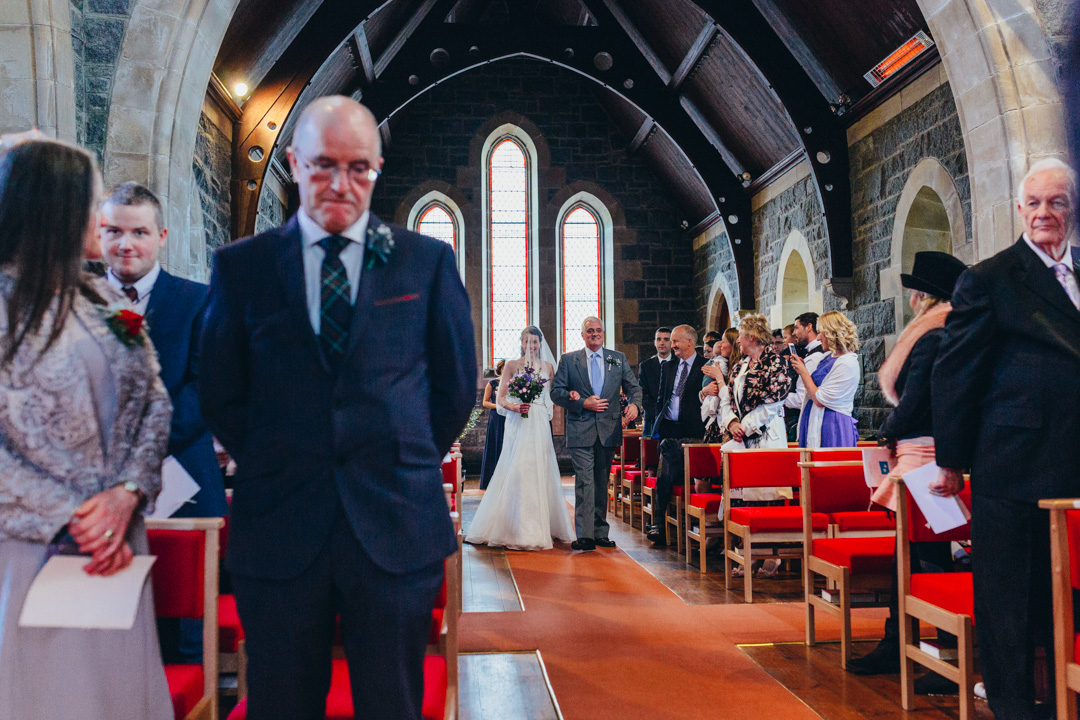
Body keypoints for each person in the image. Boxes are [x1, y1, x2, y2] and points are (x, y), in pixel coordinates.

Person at [199, 96, 476, 720]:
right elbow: (221, 389)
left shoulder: (424, 262)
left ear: (376, 169)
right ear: (294, 163)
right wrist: (279, 456)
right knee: (281, 704)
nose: (340, 185)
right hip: (279, 524)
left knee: (391, 702)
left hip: (395, 524)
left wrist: (397, 454)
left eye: (358, 168)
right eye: (324, 166)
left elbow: (456, 387)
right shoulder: (243, 268)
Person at [0, 138, 173, 719]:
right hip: (31, 547)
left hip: (115, 543)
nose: (102, 218)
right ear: (52, 206)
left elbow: (154, 396)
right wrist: (76, 516)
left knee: (115, 695)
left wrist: (126, 494)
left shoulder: (103, 301)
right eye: (91, 202)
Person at [932, 158, 1080, 720]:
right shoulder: (990, 278)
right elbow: (957, 372)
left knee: (1069, 597)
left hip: (1075, 464)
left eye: (1057, 202)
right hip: (1013, 464)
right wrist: (952, 457)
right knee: (1009, 604)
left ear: (1072, 209)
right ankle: (1016, 709)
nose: (1045, 213)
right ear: (1020, 209)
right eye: (1035, 203)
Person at [846, 250, 967, 682]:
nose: (912, 296)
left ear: (924, 296)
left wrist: (887, 430)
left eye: (916, 289)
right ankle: (916, 642)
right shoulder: (949, 329)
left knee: (923, 555)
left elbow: (919, 399)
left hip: (923, 457)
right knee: (917, 553)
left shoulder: (934, 334)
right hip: (926, 453)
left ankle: (930, 648)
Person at [465, 328, 574, 550]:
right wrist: (515, 406)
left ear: (540, 343)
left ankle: (541, 525)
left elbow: (552, 396)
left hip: (540, 422)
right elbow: (501, 398)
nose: (532, 345)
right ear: (522, 343)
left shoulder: (548, 368)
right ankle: (514, 526)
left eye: (535, 341)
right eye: (528, 341)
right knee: (518, 468)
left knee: (539, 469)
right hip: (518, 421)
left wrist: (568, 396)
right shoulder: (513, 366)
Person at [551, 316, 642, 552]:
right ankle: (585, 535)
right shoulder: (569, 360)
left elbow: (634, 387)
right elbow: (556, 392)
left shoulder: (617, 358)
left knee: (602, 482)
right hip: (580, 429)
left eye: (598, 330)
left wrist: (635, 405)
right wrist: (582, 402)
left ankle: (601, 532)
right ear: (582, 335)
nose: (595, 334)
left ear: (603, 333)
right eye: (590, 331)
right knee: (586, 481)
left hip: (608, 430)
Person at [646, 324, 707, 545]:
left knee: (683, 476)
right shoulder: (669, 366)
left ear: (690, 342)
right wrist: (659, 425)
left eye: (675, 341)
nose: (672, 346)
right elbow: (662, 397)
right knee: (665, 475)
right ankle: (659, 525)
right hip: (670, 429)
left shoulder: (705, 366)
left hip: (694, 430)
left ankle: (689, 526)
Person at [790, 311, 860, 448]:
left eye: (821, 332)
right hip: (813, 418)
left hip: (832, 424)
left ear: (831, 333)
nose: (818, 338)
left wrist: (803, 373)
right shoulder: (827, 357)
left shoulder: (847, 363)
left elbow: (820, 399)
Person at [638, 327, 672, 436]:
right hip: (652, 418)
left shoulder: (679, 362)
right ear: (654, 342)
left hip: (675, 419)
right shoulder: (645, 366)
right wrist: (658, 415)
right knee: (650, 451)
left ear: (672, 343)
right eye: (659, 339)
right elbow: (644, 394)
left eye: (666, 339)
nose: (662, 343)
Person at [478, 359, 506, 491]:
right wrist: (499, 406)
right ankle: (492, 479)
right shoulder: (493, 383)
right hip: (497, 417)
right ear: (500, 369)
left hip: (510, 417)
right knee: (496, 444)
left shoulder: (515, 384)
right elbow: (485, 402)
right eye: (505, 368)